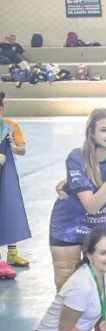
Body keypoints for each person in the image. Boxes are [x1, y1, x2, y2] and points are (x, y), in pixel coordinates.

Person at [49, 109, 106, 290]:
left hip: (98, 228)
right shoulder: (76, 157)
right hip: (68, 226)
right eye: (104, 130)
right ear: (91, 134)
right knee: (67, 285)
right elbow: (91, 206)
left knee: (98, 284)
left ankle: (99, 319)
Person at [0, 91, 28, 277]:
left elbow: (22, 150)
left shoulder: (10, 127)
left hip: (6, 173)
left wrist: (10, 146)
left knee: (10, 208)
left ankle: (12, 254)